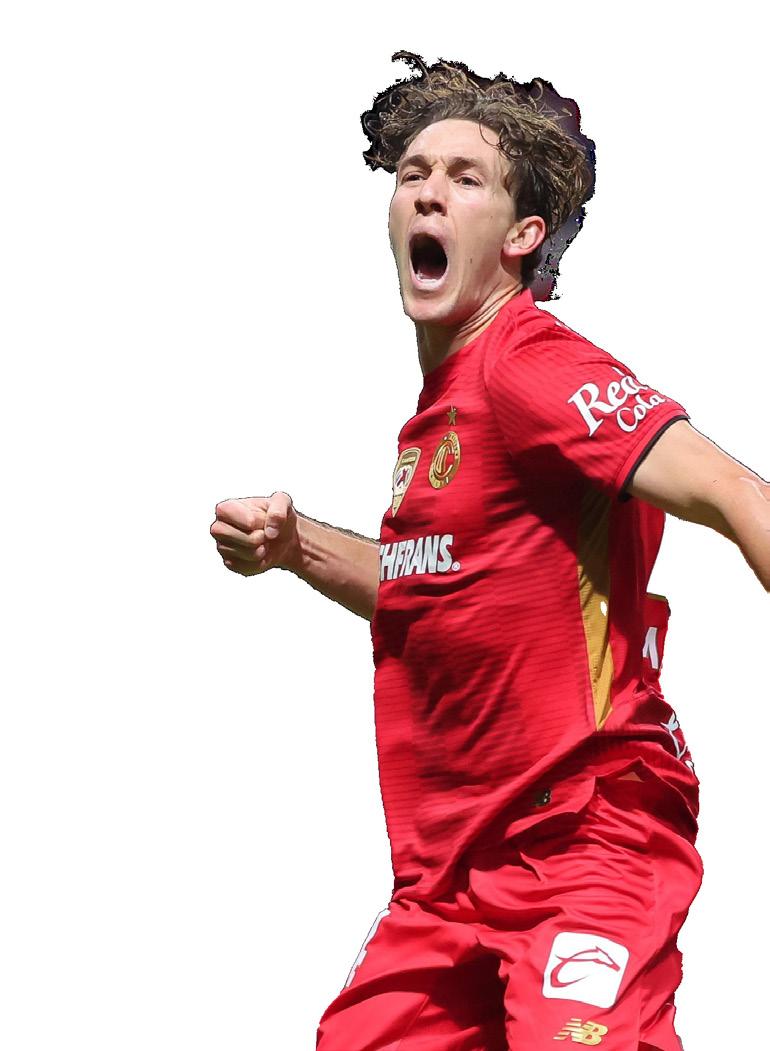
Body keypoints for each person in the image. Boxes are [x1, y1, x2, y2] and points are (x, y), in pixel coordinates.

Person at [210, 52, 769, 1051]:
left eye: (465, 178)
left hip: (583, 837)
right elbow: (429, 585)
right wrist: (296, 548)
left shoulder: (529, 365)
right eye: (412, 174)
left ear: (522, 236)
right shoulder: (438, 419)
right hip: (447, 877)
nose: (428, 191)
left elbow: (736, 493)